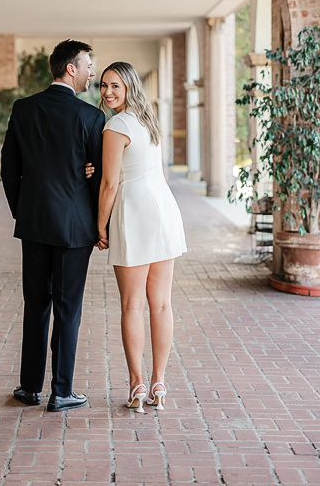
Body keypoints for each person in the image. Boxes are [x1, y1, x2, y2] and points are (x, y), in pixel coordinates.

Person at [2, 40, 105, 412]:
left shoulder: (24, 108)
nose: (92, 72)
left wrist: (23, 211)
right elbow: (100, 177)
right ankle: (62, 391)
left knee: (36, 305)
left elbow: (9, 168)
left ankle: (30, 388)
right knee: (68, 308)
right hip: (75, 228)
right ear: (71, 68)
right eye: (88, 65)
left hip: (34, 223)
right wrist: (98, 222)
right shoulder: (90, 117)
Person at [94, 61, 187, 411]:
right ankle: (159, 381)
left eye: (115, 86)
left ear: (130, 87)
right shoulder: (149, 121)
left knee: (133, 304)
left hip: (134, 212)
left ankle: (137, 384)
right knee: (161, 303)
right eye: (104, 85)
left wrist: (100, 225)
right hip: (163, 209)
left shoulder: (116, 125)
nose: (108, 92)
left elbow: (110, 183)